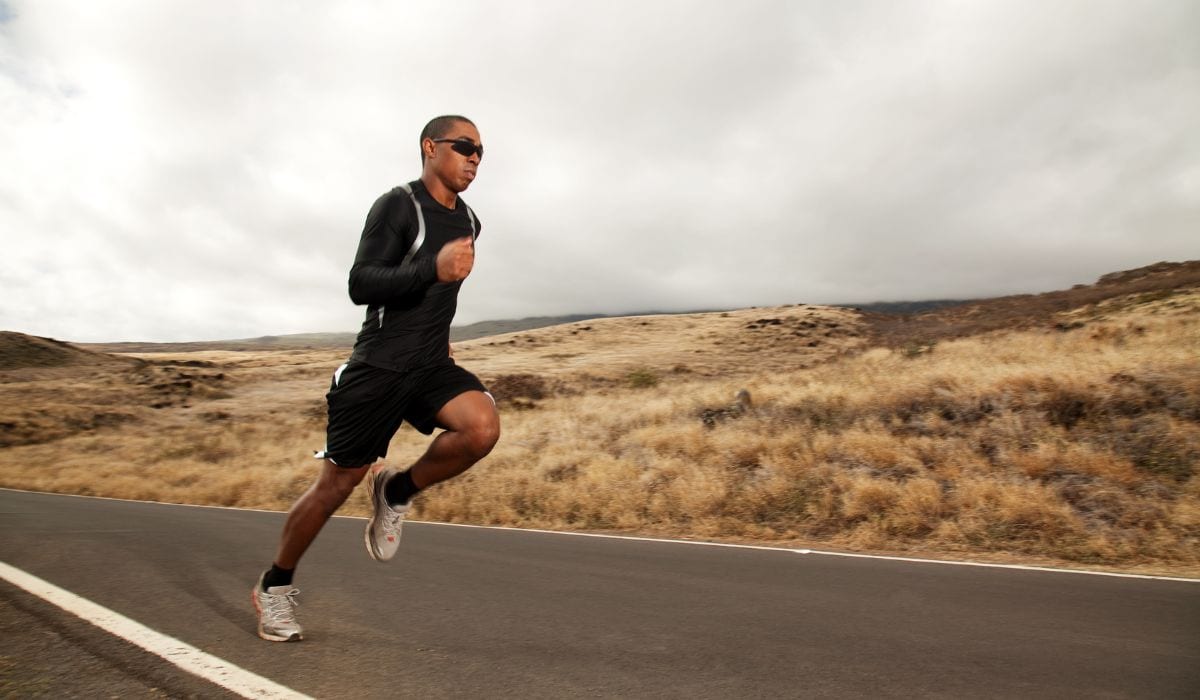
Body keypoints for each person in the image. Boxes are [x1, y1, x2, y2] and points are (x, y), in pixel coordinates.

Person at [252, 115, 500, 642]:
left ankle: (398, 490)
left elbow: (445, 296)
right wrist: (431, 268)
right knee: (335, 486)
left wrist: (442, 326)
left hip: (430, 364)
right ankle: (274, 588)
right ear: (430, 148)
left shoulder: (472, 221)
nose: (475, 157)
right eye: (465, 147)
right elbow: (361, 283)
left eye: (482, 151)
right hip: (379, 366)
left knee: (481, 428)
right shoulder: (398, 205)